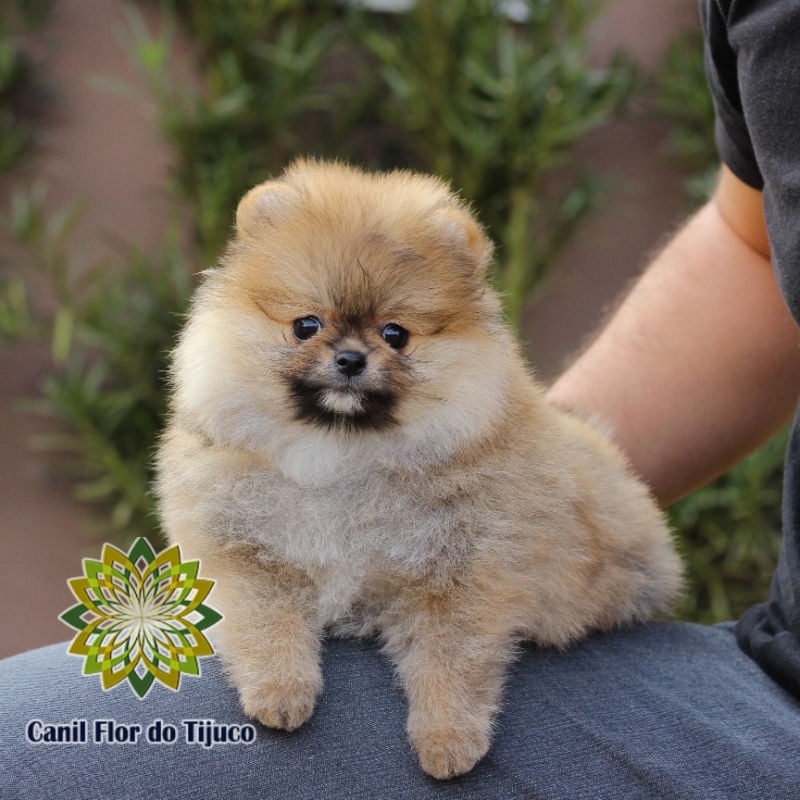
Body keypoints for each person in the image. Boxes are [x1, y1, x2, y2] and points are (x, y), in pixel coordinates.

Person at [2, 1, 800, 797]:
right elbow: (753, 244)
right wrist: (564, 486)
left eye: (394, 336)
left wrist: (532, 498)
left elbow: (473, 579)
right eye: (306, 325)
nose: (349, 355)